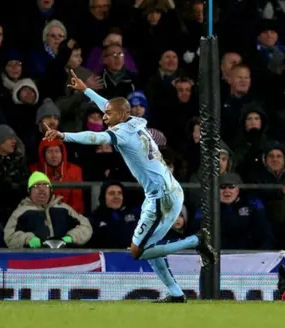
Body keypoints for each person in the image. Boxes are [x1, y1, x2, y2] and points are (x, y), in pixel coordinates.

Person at [44, 70, 214, 303]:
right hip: (170, 190)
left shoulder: (121, 133)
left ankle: (195, 242)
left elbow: (95, 139)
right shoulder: (133, 122)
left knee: (138, 251)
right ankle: (176, 293)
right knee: (150, 246)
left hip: (161, 197)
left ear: (121, 114)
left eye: (108, 115)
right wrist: (86, 90)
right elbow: (110, 105)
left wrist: (64, 136)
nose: (104, 118)